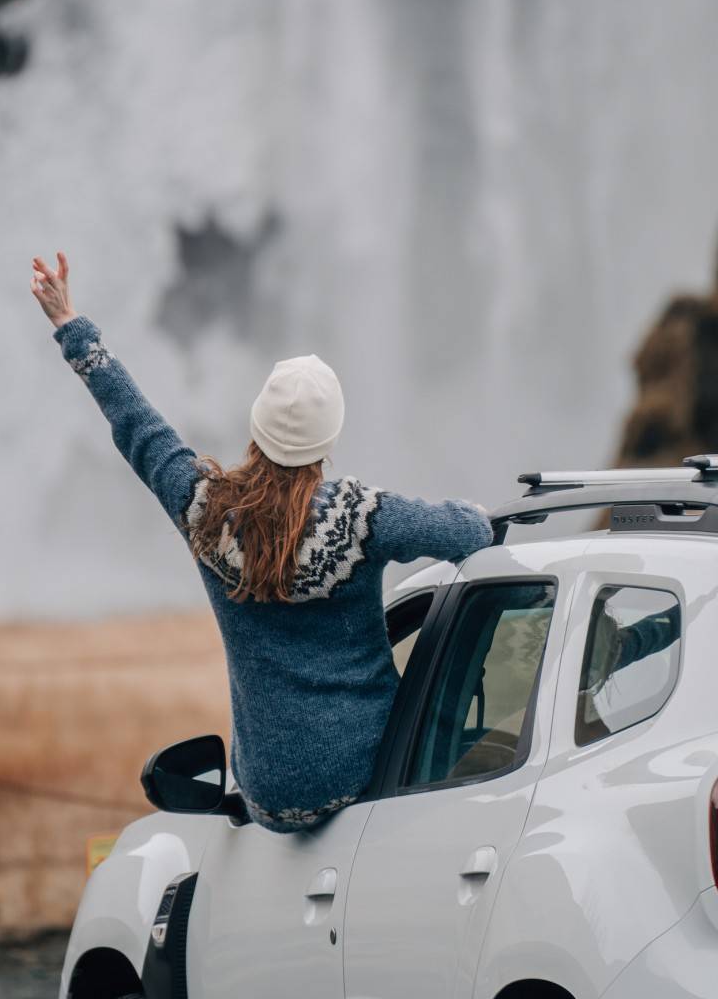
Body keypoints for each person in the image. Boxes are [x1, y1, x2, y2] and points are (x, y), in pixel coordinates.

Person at [30, 250, 494, 833]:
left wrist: (71, 325)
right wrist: (470, 511)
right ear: (329, 438)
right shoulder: (364, 515)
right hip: (369, 774)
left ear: (256, 428)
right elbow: (470, 532)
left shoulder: (202, 508)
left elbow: (138, 426)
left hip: (268, 795)